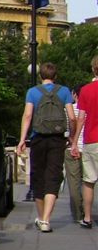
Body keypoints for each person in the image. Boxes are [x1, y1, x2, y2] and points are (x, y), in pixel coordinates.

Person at [16, 62, 76, 233]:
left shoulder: (32, 92)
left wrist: (22, 139)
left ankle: (42, 218)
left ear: (40, 76)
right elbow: (72, 117)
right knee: (53, 176)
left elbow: (28, 115)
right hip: (57, 139)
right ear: (55, 76)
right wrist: (71, 137)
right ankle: (46, 219)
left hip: (38, 138)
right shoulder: (64, 91)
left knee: (38, 176)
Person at [70, 54, 98, 229]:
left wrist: (74, 142)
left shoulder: (86, 90)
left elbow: (81, 118)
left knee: (89, 180)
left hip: (91, 140)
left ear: (94, 69)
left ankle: (87, 217)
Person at [64, 85, 86, 224]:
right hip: (89, 147)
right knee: (90, 183)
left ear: (74, 94)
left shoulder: (68, 110)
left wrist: (71, 140)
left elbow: (65, 130)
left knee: (74, 182)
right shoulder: (91, 109)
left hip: (71, 148)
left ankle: (78, 214)